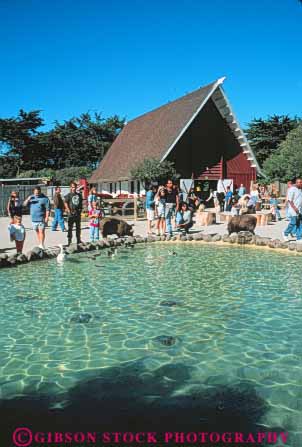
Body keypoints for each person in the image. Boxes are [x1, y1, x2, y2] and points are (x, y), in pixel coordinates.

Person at [283, 178, 302, 242]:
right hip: (293, 209)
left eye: (301, 182)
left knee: (299, 223)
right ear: (296, 183)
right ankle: (285, 233)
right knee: (293, 223)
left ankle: (299, 238)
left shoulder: (300, 190)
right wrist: (295, 208)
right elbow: (290, 200)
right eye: (298, 182)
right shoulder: (292, 189)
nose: (300, 183)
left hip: (299, 209)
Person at [64, 181, 83, 246]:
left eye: (74, 187)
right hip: (71, 213)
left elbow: (80, 203)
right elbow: (65, 203)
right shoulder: (68, 195)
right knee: (70, 228)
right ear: (70, 188)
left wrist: (80, 210)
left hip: (77, 213)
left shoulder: (79, 195)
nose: (73, 188)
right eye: (72, 187)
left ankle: (78, 240)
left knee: (78, 228)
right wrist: (68, 210)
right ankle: (69, 241)